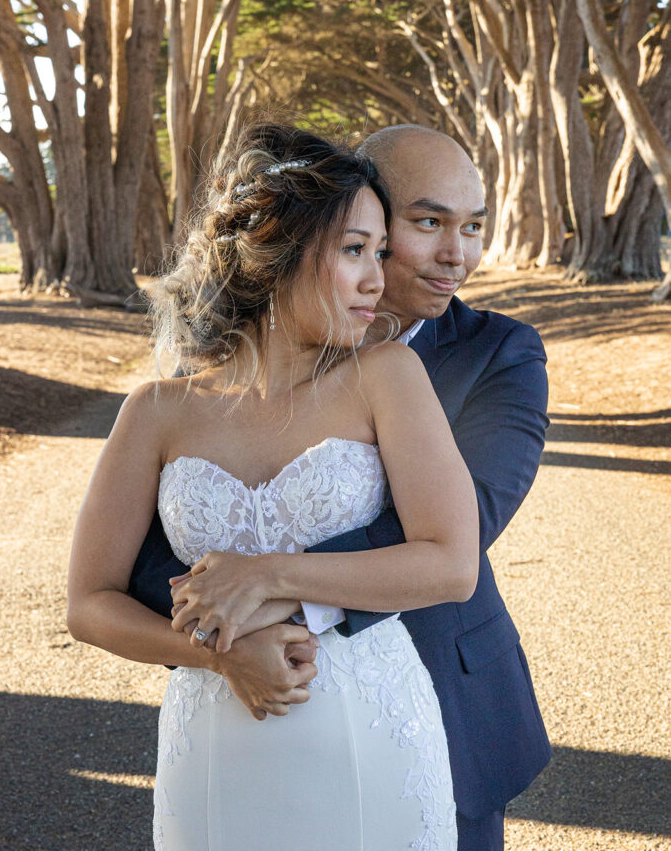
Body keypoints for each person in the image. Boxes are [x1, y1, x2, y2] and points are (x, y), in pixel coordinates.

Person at [67, 123, 481, 851]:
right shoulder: (157, 411)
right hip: (216, 742)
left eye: (379, 253)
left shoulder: (384, 377)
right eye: (354, 250)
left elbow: (450, 565)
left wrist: (264, 577)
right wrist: (218, 654)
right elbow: (89, 604)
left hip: (372, 730)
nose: (377, 279)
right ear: (276, 252)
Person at [160, 125, 552, 851]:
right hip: (248, 708)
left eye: (472, 228)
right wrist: (217, 644)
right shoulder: (230, 366)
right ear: (354, 213)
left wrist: (271, 589)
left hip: (433, 693)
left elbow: (463, 522)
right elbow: (159, 548)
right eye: (429, 222)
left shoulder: (499, 353)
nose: (456, 255)